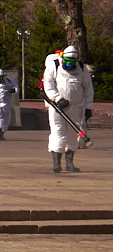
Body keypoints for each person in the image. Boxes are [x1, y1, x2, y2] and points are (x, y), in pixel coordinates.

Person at [42, 45, 93, 173]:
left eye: (73, 61)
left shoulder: (81, 69)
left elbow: (88, 90)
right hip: (57, 108)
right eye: (67, 60)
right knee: (58, 132)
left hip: (76, 108)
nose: (70, 64)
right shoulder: (54, 66)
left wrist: (88, 107)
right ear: (63, 58)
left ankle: (69, 163)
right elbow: (48, 86)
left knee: (73, 135)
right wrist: (58, 98)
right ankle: (56, 163)